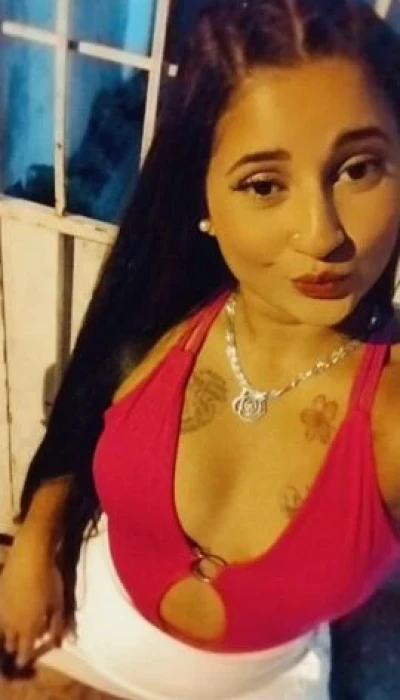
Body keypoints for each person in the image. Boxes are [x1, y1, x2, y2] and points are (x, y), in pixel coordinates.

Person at [1, 0, 400, 697]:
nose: (322, 234)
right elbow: (79, 422)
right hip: (75, 638)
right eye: (264, 184)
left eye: (358, 168)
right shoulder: (162, 315)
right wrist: (34, 543)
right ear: (204, 199)